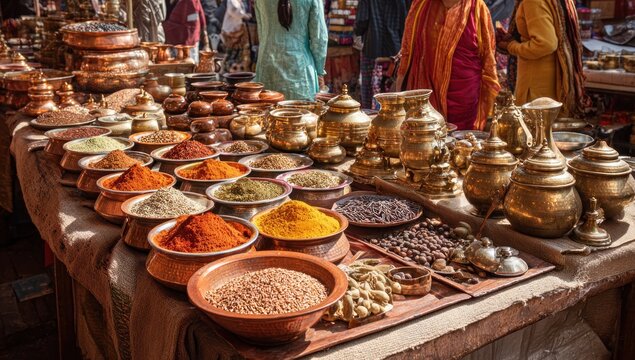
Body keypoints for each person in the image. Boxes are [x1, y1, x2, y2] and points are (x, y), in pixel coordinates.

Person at [396, 0, 500, 130]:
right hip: (424, 101)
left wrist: (490, 99)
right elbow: (407, 51)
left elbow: (488, 60)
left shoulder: (477, 9)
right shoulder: (420, 6)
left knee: (463, 146)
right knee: (425, 145)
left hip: (464, 99)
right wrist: (398, 94)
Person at [497, 0, 585, 117]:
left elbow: (545, 44)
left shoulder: (533, 2)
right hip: (548, 80)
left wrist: (511, 46)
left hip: (537, 83)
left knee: (536, 129)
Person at [254, 0, 328, 100]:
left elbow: (261, 33)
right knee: (302, 113)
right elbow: (319, 39)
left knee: (267, 111)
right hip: (300, 71)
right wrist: (319, 72)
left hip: (267, 65)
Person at [354, 0, 411, 109]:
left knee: (368, 89)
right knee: (391, 89)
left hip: (372, 48)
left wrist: (357, 31)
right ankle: (391, 115)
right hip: (394, 49)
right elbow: (404, 23)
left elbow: (362, 21)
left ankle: (369, 114)